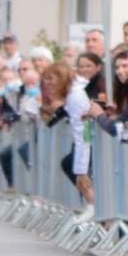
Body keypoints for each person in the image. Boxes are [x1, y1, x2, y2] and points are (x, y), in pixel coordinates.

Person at [41, 62, 93, 222]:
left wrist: (81, 170)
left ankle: (93, 204)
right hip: (85, 141)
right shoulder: (71, 96)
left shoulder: (76, 97)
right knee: (67, 163)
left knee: (74, 168)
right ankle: (91, 204)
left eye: (51, 79)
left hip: (88, 142)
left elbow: (83, 133)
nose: (48, 85)